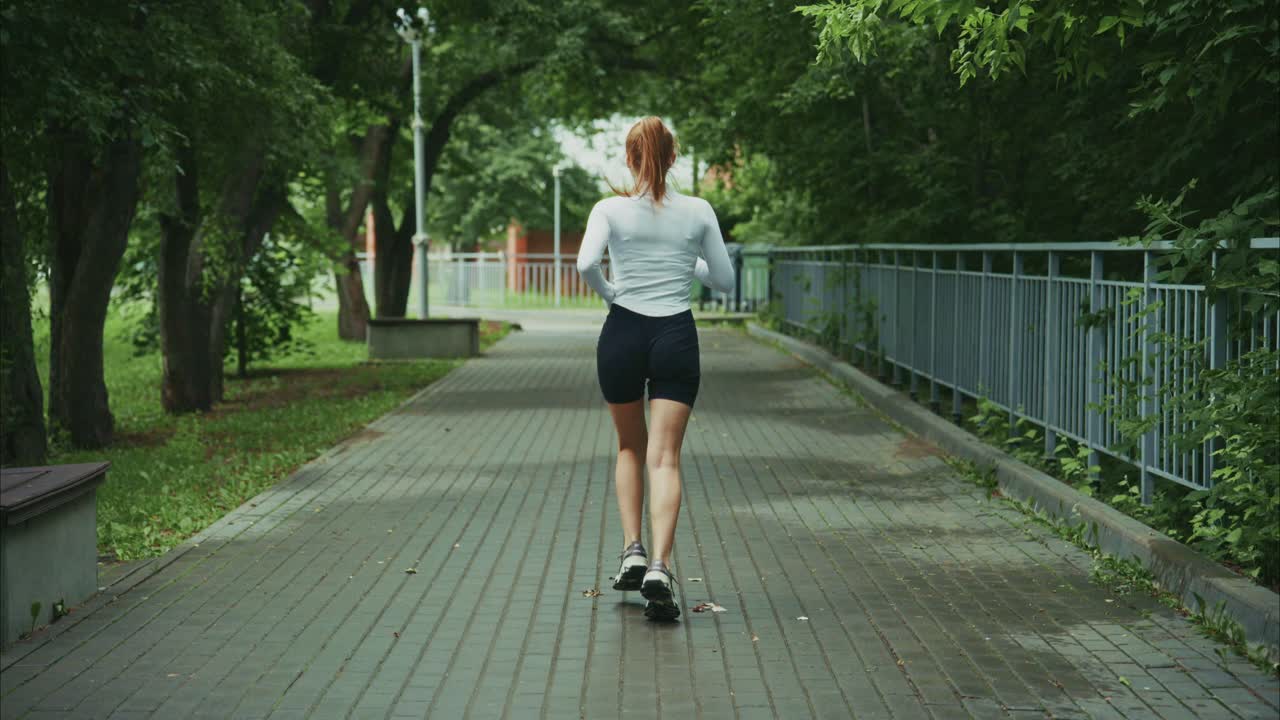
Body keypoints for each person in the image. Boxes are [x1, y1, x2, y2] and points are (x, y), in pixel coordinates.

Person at [576, 116, 735, 621]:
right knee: (664, 457)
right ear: (672, 157)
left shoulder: (610, 209)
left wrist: (612, 294)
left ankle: (633, 550)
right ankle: (661, 568)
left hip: (622, 332)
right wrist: (689, 262)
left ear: (629, 158)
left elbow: (584, 264)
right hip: (675, 336)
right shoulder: (699, 211)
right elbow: (724, 282)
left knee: (629, 446)